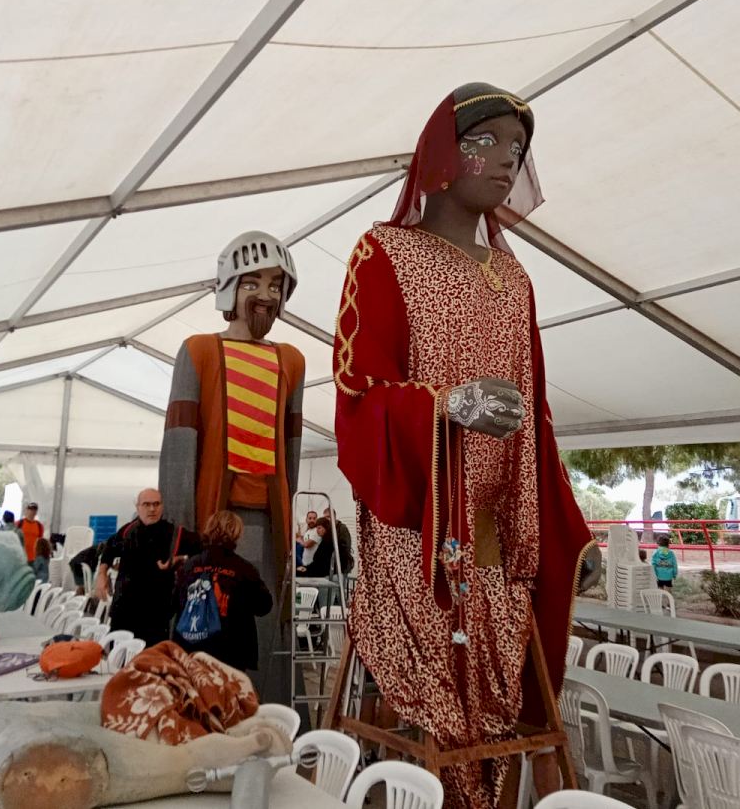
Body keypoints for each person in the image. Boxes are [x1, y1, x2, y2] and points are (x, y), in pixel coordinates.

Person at [333, 83, 599, 807]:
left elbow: (537, 418)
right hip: (415, 524)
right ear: (443, 152)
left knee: (494, 716)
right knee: (436, 718)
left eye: (518, 148)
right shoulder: (384, 252)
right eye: (488, 142)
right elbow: (358, 390)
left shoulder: (513, 278)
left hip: (498, 536)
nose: (508, 160)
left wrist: (567, 523)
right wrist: (446, 406)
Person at [159, 231, 305, 706]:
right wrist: (182, 535)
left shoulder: (292, 361)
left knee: (267, 627)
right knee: (204, 628)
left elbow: (291, 451)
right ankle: (202, 712)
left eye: (276, 284)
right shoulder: (199, 351)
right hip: (212, 521)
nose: (266, 294)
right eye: (253, 282)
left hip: (269, 523)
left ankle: (272, 717)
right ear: (229, 287)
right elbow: (179, 447)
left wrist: (287, 516)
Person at [95, 489, 199, 646]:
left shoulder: (175, 534)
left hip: (155, 615)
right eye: (146, 504)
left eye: (156, 504)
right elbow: (109, 550)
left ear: (162, 507)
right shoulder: (127, 531)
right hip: (124, 610)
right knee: (118, 656)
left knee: (150, 658)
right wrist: (102, 574)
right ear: (137, 507)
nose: (152, 509)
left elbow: (201, 553)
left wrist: (181, 559)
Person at [173, 510, 272, 673]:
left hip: (190, 650)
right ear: (237, 534)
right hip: (231, 653)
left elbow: (174, 603)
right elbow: (263, 607)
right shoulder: (245, 569)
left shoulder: (188, 566)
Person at [322, 505, 354, 575]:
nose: (327, 520)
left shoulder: (342, 528)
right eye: (325, 518)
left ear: (334, 517)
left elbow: (345, 547)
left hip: (340, 565)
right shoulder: (326, 529)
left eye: (328, 517)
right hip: (329, 566)